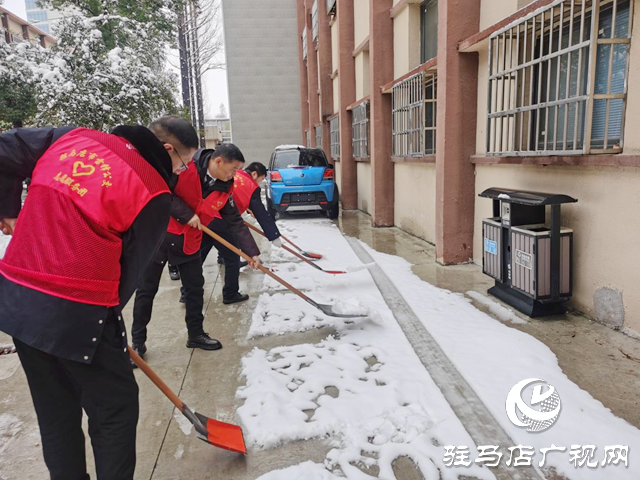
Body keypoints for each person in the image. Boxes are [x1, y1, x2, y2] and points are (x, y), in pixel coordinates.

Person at [0, 124, 185, 479]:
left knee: (56, 410)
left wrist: (8, 209)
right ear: (165, 150)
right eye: (181, 163)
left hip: (17, 299)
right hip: (78, 310)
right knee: (115, 409)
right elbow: (130, 272)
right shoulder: (154, 190)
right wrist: (109, 323)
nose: (181, 172)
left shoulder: (69, 138)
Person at [131, 120, 261, 360]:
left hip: (189, 242)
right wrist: (186, 213)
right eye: (233, 169)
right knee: (146, 291)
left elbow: (233, 221)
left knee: (194, 289)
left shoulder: (225, 186)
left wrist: (251, 252)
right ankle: (138, 342)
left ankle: (196, 334)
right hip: (161, 237)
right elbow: (162, 191)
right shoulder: (184, 165)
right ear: (219, 162)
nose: (235, 175)